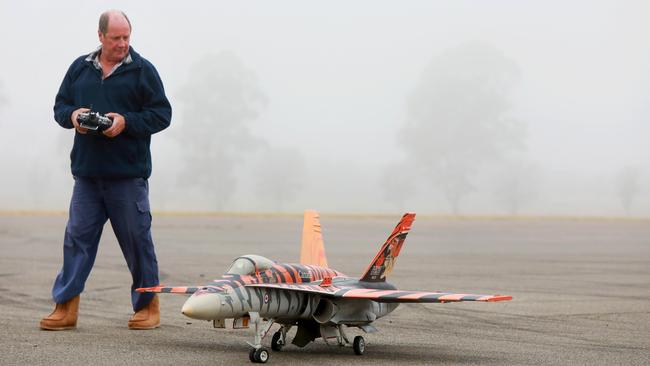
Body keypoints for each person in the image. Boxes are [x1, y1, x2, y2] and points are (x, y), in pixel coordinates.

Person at [40, 10, 172, 331]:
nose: (123, 44)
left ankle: (147, 307)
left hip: (127, 177)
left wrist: (125, 122)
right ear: (100, 36)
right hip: (87, 175)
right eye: (116, 38)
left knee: (137, 242)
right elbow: (60, 107)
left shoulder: (143, 71)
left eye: (127, 37)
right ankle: (66, 307)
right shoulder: (80, 68)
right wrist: (74, 116)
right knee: (76, 240)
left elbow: (162, 115)